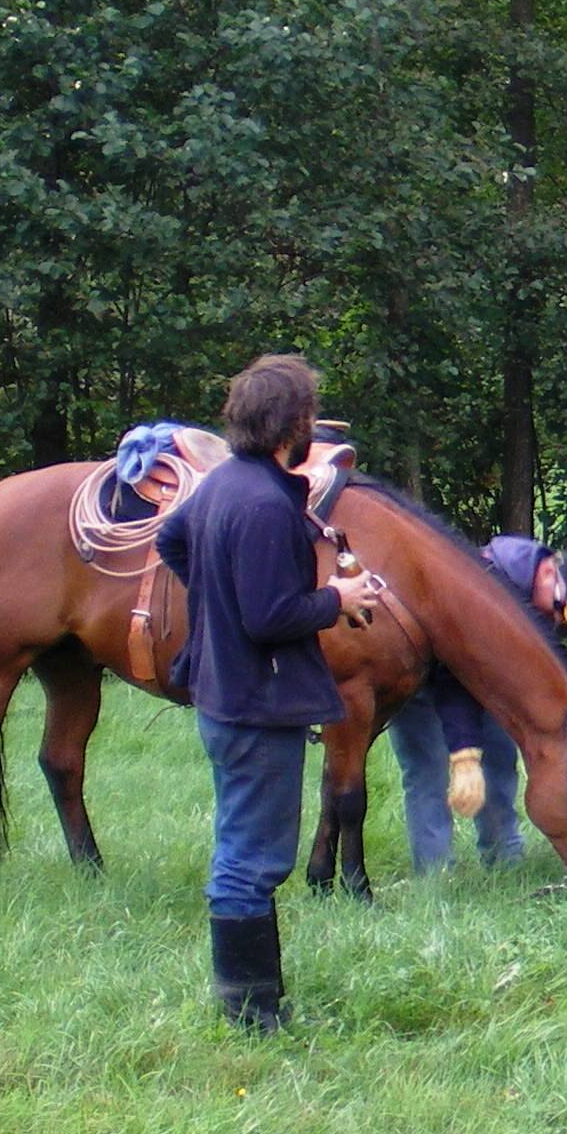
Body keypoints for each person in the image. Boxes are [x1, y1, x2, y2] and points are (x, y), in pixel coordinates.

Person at [157, 354, 379, 1031]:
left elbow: (172, 540)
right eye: (310, 415)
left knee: (241, 849)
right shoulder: (262, 505)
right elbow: (269, 617)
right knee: (253, 862)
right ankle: (251, 1013)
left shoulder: (223, 484)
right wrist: (337, 596)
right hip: (255, 706)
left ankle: (253, 1000)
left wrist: (213, 596)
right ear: (294, 424)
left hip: (225, 696)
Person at [384, 538, 567, 873]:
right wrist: (464, 752)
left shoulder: (532, 606)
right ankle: (435, 876)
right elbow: (454, 674)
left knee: (499, 761)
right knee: (427, 772)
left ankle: (505, 859)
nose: (555, 620)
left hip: (479, 683)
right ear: (547, 572)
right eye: (559, 607)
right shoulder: (486, 583)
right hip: (419, 677)